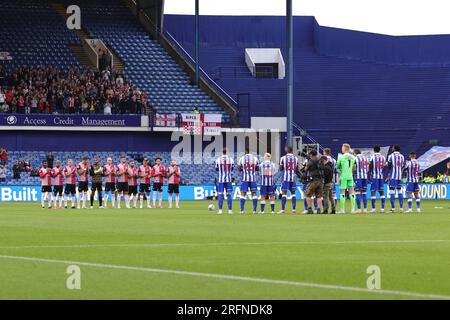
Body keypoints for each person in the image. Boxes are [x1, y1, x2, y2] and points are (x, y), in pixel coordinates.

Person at [238, 148, 260, 214]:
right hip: (253, 179)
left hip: (245, 179)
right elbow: (257, 168)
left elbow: (239, 168)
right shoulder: (255, 158)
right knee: (254, 193)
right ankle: (254, 211)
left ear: (245, 152)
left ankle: (242, 211)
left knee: (243, 194)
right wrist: (253, 169)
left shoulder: (242, 158)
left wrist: (244, 169)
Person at [278, 146, 299, 214]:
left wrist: (281, 166)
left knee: (284, 193)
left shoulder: (283, 158)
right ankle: (294, 209)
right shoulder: (296, 158)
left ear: (287, 150)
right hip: (293, 178)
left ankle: (283, 210)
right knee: (293, 193)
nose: (285, 149)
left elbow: (280, 169)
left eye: (285, 148)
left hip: (285, 178)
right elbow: (296, 169)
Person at [336, 143, 356, 214]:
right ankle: (353, 209)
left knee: (342, 192)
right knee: (352, 192)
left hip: (343, 176)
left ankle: (342, 209)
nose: (341, 149)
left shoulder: (341, 157)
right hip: (350, 176)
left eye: (342, 147)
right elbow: (354, 167)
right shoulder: (353, 157)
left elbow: (337, 166)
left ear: (345, 149)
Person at [304, 150, 324, 214]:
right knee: (319, 196)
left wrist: (305, 165)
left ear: (311, 155)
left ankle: (309, 209)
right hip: (320, 181)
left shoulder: (310, 161)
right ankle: (318, 209)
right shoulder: (320, 161)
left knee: (308, 194)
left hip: (313, 181)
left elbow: (305, 169)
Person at [215, 148, 234, 215]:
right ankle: (230, 210)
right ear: (227, 152)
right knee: (229, 194)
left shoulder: (218, 160)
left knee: (220, 194)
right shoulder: (231, 160)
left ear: (221, 152)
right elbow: (232, 168)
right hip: (228, 180)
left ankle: (220, 210)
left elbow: (216, 169)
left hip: (221, 180)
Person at [387, 145, 405, 212]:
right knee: (400, 191)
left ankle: (393, 208)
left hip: (393, 176)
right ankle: (401, 208)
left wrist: (388, 166)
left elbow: (389, 166)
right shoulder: (402, 156)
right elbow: (402, 166)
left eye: (392, 148)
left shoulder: (391, 156)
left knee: (392, 191)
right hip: (399, 177)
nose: (392, 149)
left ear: (394, 149)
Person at [369, 146, 386, 213]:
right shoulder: (383, 157)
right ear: (379, 150)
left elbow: (370, 166)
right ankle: (382, 209)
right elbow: (384, 166)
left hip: (374, 176)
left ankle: (373, 208)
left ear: (374, 150)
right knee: (381, 191)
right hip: (381, 177)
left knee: (373, 191)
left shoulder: (372, 157)